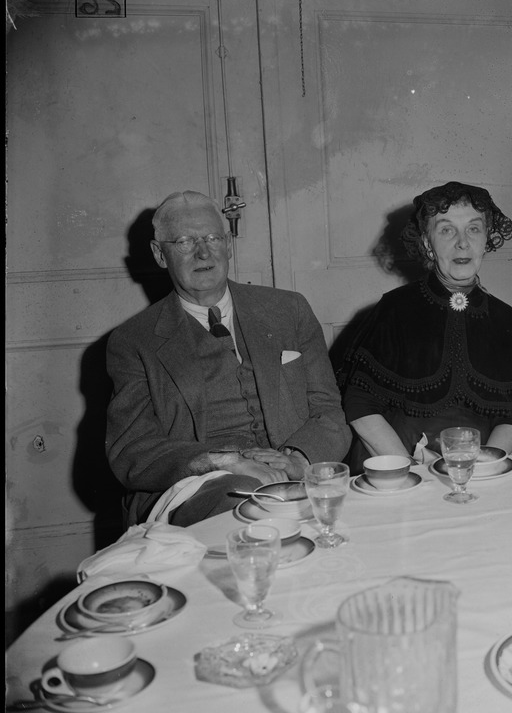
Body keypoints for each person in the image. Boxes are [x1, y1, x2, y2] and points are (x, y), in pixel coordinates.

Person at [106, 191, 351, 526]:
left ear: (228, 245)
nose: (203, 252)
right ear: (159, 255)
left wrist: (296, 459)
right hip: (198, 488)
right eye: (184, 241)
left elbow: (328, 410)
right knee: (247, 510)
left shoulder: (288, 310)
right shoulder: (134, 341)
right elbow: (132, 451)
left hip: (295, 478)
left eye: (212, 238)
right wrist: (220, 462)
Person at [338, 181, 512, 467]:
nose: (462, 242)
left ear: (487, 239)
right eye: (446, 229)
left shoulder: (505, 319)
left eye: (473, 228)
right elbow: (359, 406)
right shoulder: (394, 310)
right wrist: (409, 470)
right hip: (396, 464)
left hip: (473, 467)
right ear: (427, 242)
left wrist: (480, 466)